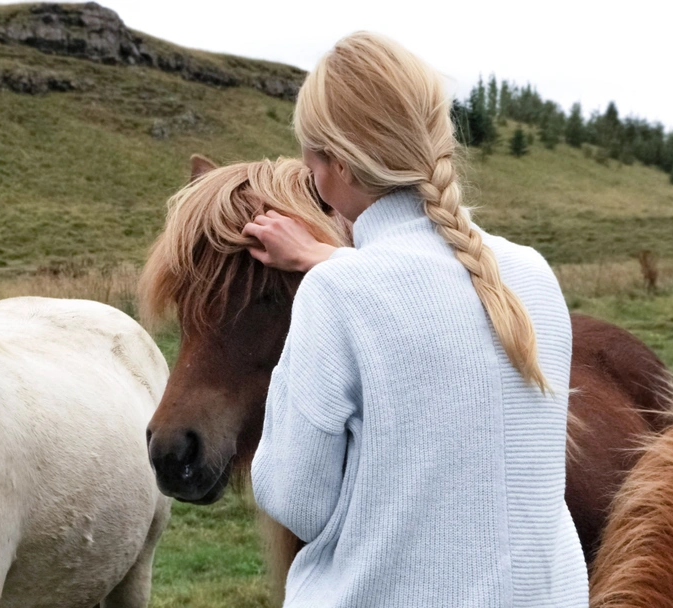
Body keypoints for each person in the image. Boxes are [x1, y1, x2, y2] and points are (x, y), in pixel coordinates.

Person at [243, 32, 588, 607]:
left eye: (311, 148)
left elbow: (295, 497)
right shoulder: (532, 274)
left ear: (336, 166)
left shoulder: (337, 292)